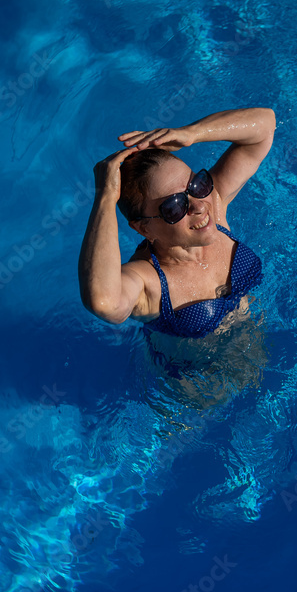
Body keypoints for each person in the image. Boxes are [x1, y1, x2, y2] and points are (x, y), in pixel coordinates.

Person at [78, 107, 276, 402]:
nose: (198, 206)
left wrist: (192, 134)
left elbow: (264, 126)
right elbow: (103, 302)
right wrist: (106, 197)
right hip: (196, 393)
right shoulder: (147, 280)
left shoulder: (214, 207)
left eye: (197, 184)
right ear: (144, 228)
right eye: (174, 206)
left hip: (257, 352)